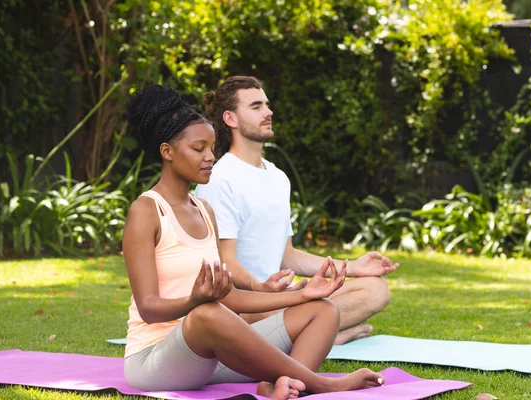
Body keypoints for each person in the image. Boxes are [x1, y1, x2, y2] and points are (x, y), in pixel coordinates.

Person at [121, 84, 385, 399]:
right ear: (167, 152)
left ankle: (285, 385)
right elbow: (149, 308)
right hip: (155, 361)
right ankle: (323, 384)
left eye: (212, 148)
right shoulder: (146, 210)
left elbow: (230, 296)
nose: (209, 157)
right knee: (208, 312)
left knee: (323, 310)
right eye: (198, 149)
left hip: (209, 357)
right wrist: (196, 300)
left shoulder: (204, 211)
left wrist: (302, 295)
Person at [195, 76, 399, 345]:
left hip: (281, 299)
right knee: (304, 308)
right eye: (256, 107)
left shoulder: (278, 177)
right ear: (231, 119)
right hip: (243, 306)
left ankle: (308, 331)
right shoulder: (220, 179)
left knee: (375, 289)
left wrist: (353, 268)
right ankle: (321, 333)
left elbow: (287, 255)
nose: (268, 113)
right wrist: (261, 289)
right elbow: (224, 262)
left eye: (267, 105)